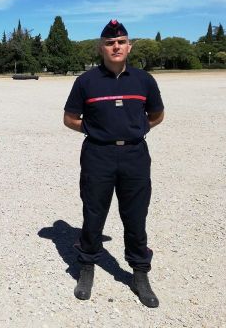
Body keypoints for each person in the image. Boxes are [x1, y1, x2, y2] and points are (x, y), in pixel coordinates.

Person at [63, 20, 165, 308]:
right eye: (110, 43)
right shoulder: (86, 81)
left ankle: (140, 273)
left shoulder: (144, 80)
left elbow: (157, 114)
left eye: (121, 42)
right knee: (93, 213)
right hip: (98, 155)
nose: (116, 46)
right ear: (101, 48)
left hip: (135, 155)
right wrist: (95, 132)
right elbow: (70, 118)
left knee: (135, 216)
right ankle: (86, 267)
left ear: (129, 46)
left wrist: (136, 129)